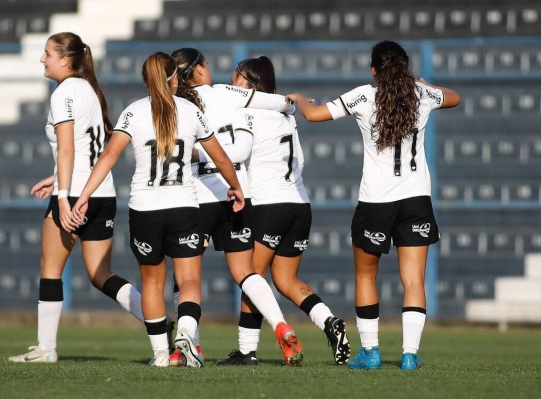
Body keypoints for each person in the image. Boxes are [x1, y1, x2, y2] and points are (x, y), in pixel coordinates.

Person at [287, 40, 461, 370]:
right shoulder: (421, 95)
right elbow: (455, 97)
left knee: (367, 277)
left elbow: (313, 114)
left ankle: (371, 352)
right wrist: (426, 85)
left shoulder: (364, 95)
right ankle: (409, 355)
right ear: (406, 68)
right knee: (413, 281)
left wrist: (297, 99)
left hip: (376, 202)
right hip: (416, 199)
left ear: (373, 70)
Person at [71, 52, 244, 368]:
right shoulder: (190, 110)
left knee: (152, 283)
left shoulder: (133, 113)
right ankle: (186, 336)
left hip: (145, 209)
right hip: (182, 206)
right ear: (175, 78)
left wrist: (84, 195)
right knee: (189, 280)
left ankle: (162, 355)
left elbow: (108, 157)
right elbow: (219, 158)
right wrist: (236, 187)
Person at [8, 32, 147, 363]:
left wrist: (62, 197)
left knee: (50, 268)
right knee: (101, 275)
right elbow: (86, 149)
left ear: (65, 60)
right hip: (103, 193)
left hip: (75, 194)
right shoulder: (88, 89)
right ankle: (157, 323)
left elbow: (69, 149)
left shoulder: (63, 93)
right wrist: (55, 177)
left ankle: (46, 348)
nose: (43, 59)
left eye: (48, 54)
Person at [170, 48, 303, 366]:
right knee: (246, 272)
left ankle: (190, 347)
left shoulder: (178, 105)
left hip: (197, 197)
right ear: (200, 68)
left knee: (185, 278)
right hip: (236, 195)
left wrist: (199, 156)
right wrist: (291, 103)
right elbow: (283, 104)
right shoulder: (228, 94)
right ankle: (281, 326)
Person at [225, 56, 350, 366]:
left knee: (251, 276)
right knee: (285, 279)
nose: (232, 80)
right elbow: (300, 157)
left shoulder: (246, 112)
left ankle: (246, 351)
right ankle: (329, 321)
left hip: (269, 205)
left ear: (250, 83)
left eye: (237, 76)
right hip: (299, 204)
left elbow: (239, 155)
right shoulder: (286, 114)